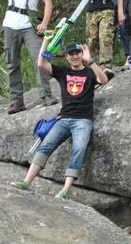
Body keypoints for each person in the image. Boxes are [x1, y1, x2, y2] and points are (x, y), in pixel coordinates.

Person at [11, 38, 108, 199]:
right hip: (63, 119)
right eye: (71, 54)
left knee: (79, 149)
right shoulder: (63, 72)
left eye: (77, 53)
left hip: (83, 120)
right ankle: (26, 182)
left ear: (81, 54)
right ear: (67, 57)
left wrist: (90, 62)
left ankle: (64, 191)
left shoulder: (90, 72)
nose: (75, 56)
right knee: (46, 145)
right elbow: (41, 63)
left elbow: (103, 80)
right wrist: (47, 41)